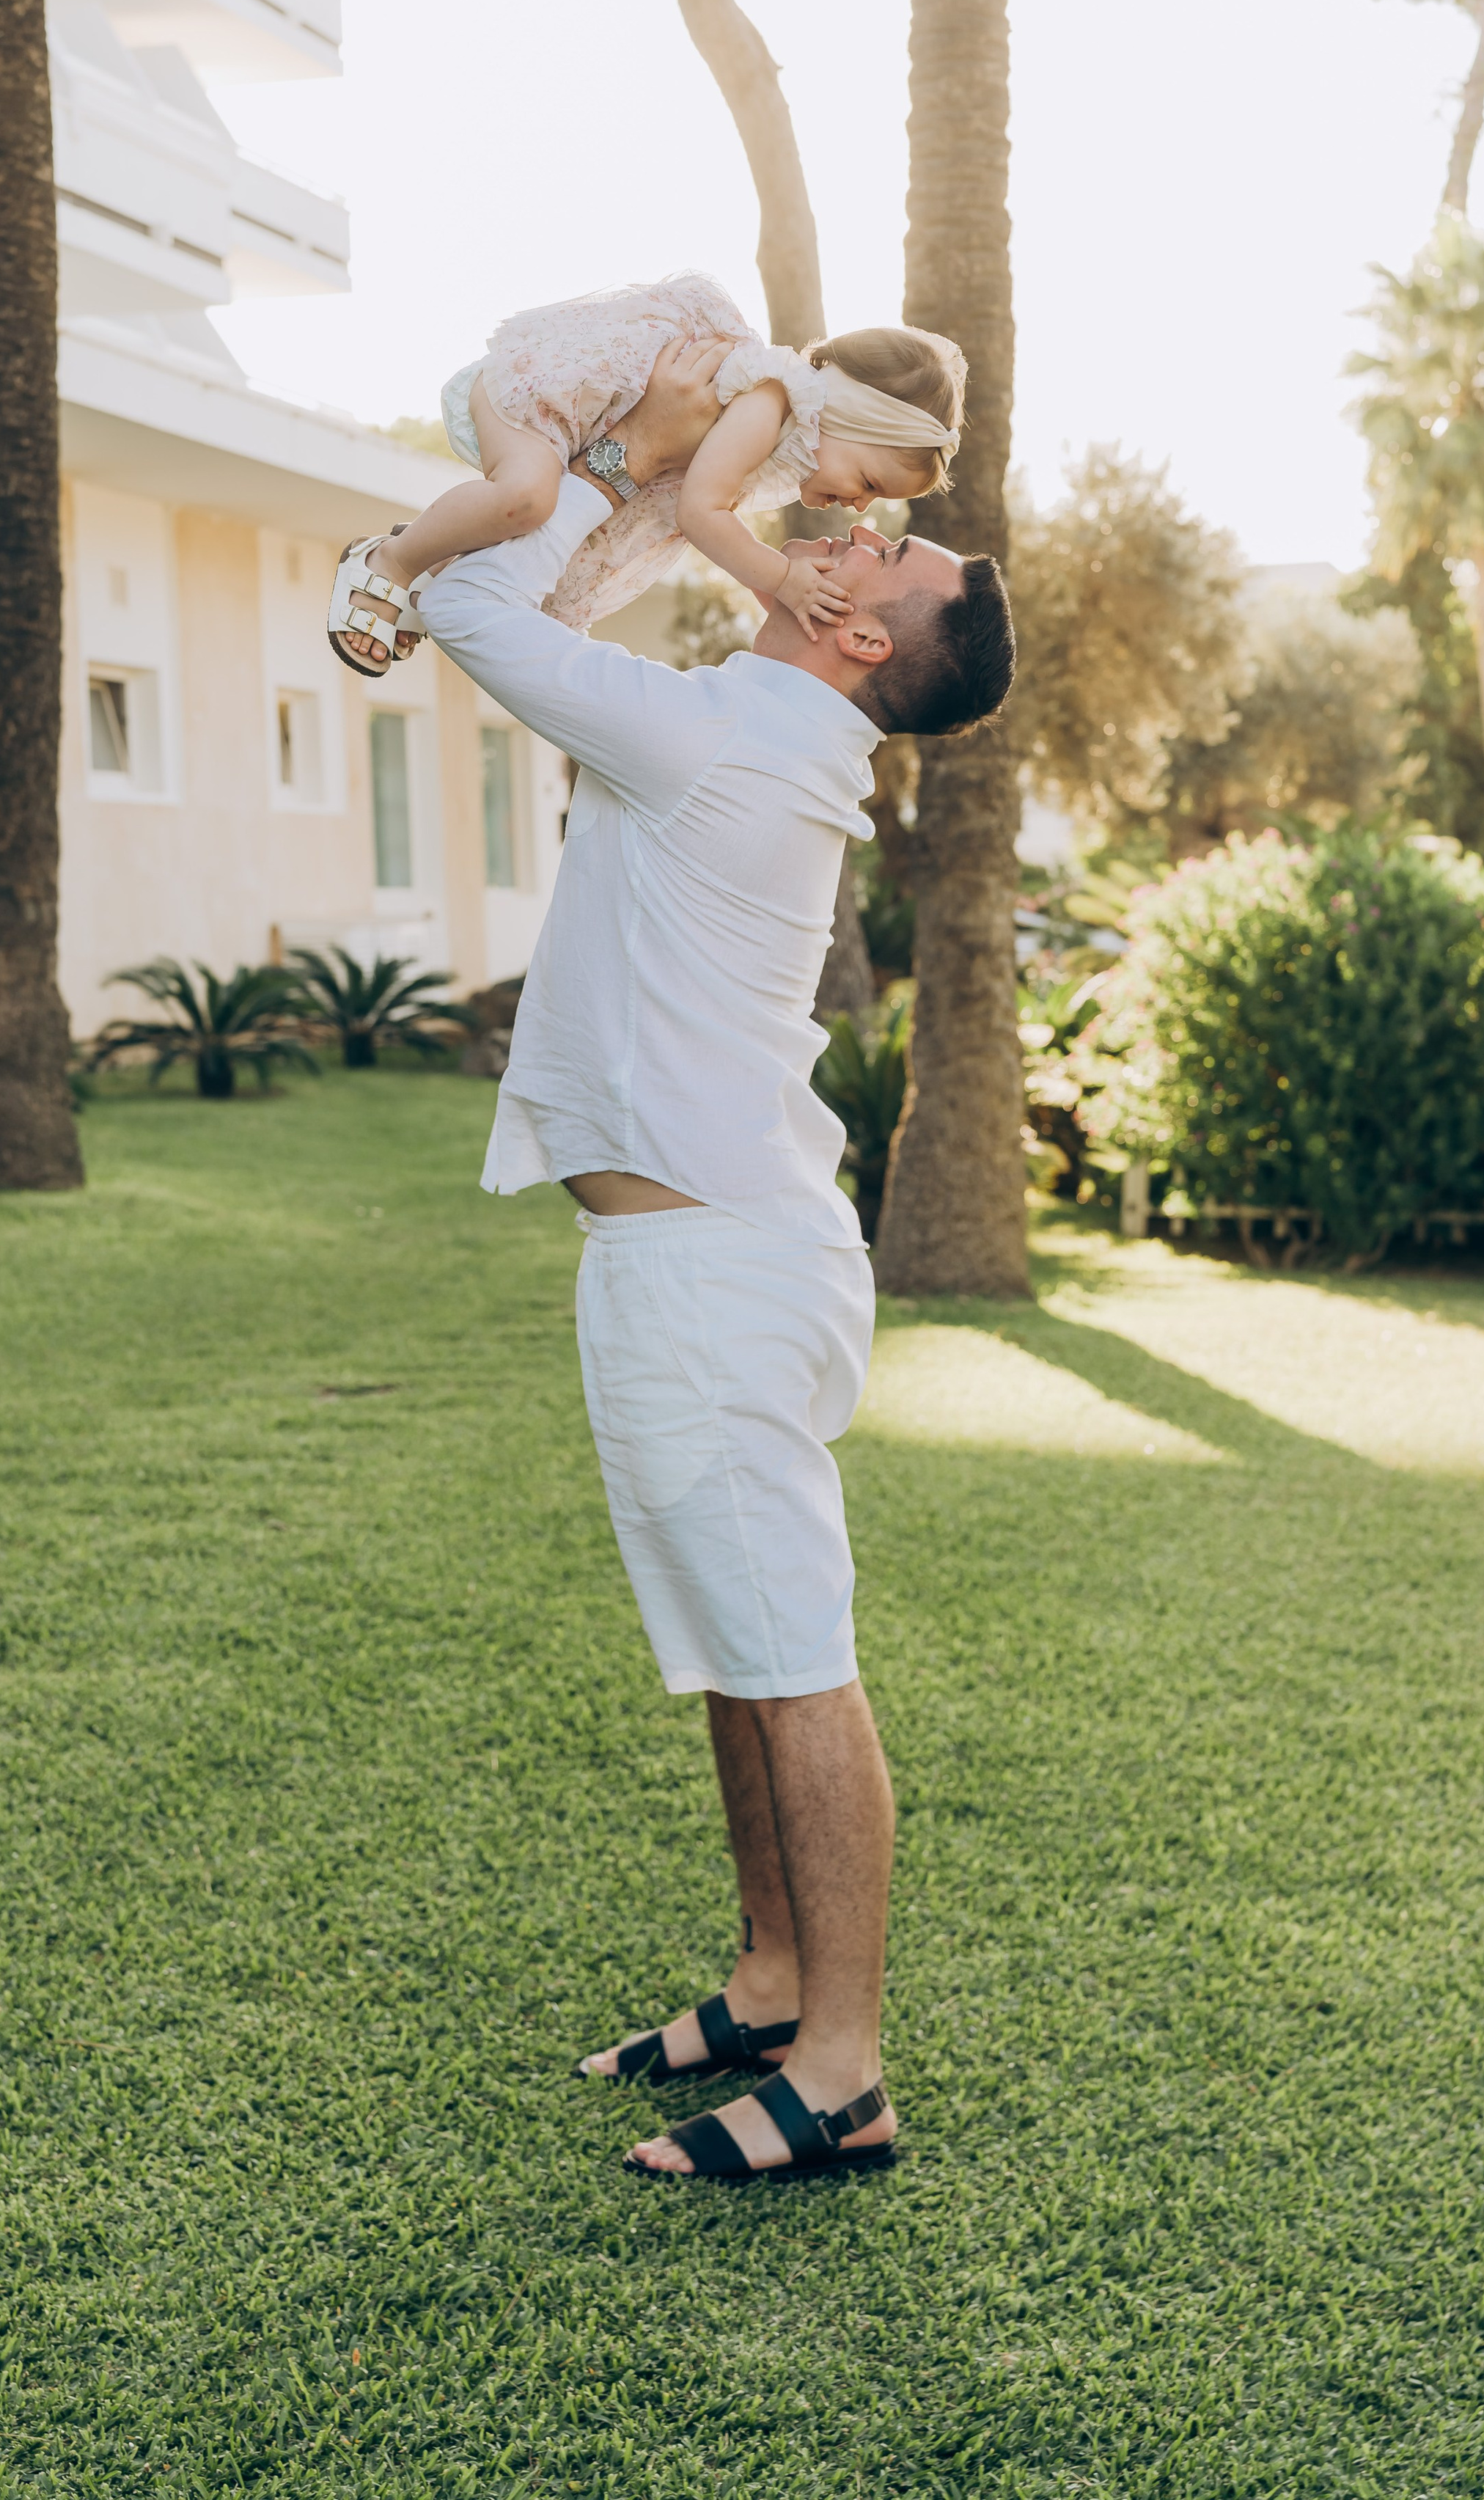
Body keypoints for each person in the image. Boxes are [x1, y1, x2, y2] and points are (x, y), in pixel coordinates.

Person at [405, 339, 1014, 2183]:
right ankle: (768, 1980)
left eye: (872, 548)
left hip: (714, 1273)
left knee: (790, 1658)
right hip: (698, 1257)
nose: (839, 521)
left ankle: (840, 2071)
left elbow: (463, 598)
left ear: (853, 632)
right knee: (735, 1651)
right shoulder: (746, 724)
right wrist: (673, 484)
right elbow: (592, 595)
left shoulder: (724, 736)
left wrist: (587, 458)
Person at [324, 269, 965, 671]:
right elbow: (700, 511)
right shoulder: (771, 399)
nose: (859, 507)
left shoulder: (777, 429)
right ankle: (392, 561)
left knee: (552, 554)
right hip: (553, 403)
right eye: (870, 483)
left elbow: (693, 505)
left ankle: (436, 564)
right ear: (850, 415)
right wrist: (780, 578)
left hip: (589, 442)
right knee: (527, 499)